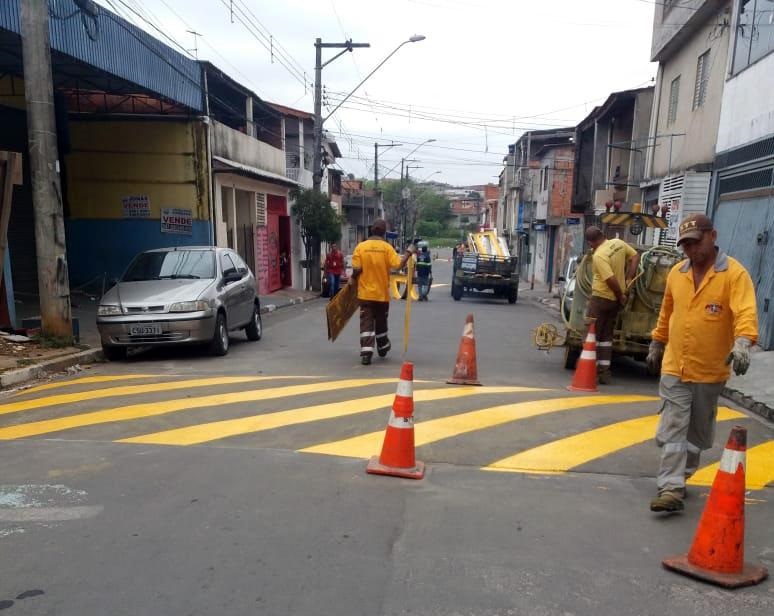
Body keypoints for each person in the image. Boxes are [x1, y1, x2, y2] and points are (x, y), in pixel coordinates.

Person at [647, 214, 757, 513]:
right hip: (675, 366)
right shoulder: (676, 274)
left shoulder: (734, 275)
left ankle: (682, 476)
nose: (691, 250)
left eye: (696, 242)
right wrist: (657, 341)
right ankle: (670, 486)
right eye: (685, 245)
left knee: (697, 434)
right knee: (674, 426)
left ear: (713, 236)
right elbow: (666, 311)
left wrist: (743, 343)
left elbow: (745, 312)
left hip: (709, 370)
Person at [349, 219, 414, 365]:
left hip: (365, 294)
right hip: (381, 295)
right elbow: (397, 266)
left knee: (366, 323)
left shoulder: (361, 247)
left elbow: (357, 269)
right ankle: (383, 347)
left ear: (371, 230)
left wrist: (352, 279)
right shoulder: (387, 248)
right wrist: (409, 252)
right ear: (384, 233)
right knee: (381, 321)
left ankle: (366, 353)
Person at [584, 227, 640, 384]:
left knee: (590, 335)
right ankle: (604, 374)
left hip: (601, 299)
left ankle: (589, 372)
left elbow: (610, 279)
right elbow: (636, 256)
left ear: (590, 242)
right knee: (606, 338)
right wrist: (629, 278)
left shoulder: (599, 255)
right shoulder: (618, 243)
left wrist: (620, 295)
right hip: (613, 303)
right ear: (603, 235)